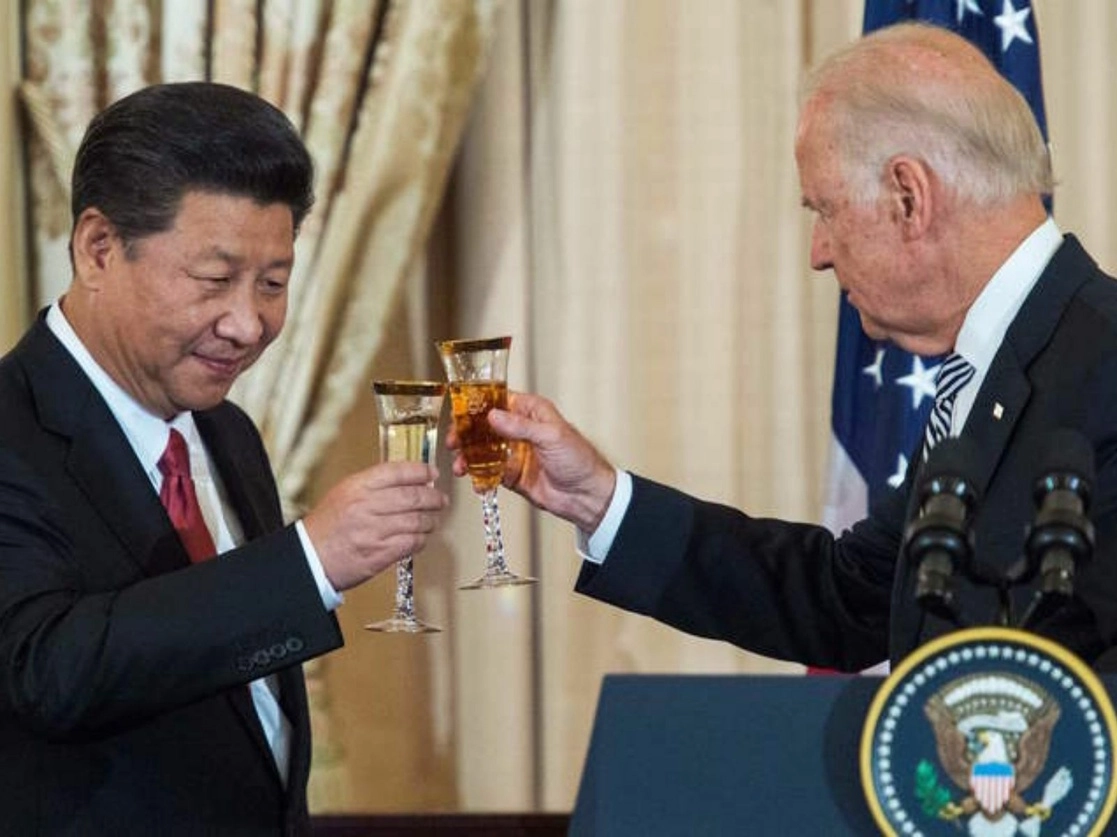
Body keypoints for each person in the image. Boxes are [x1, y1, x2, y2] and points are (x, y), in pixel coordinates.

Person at [448, 22, 1117, 673]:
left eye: (823, 209)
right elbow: (850, 596)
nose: (818, 253)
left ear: (908, 197)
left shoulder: (1103, 359)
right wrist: (595, 498)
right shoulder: (988, 366)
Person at [0, 82, 447, 835]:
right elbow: (48, 669)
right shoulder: (14, 428)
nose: (247, 323)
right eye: (214, 281)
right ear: (98, 247)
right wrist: (308, 562)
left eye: (273, 284)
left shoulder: (228, 433)